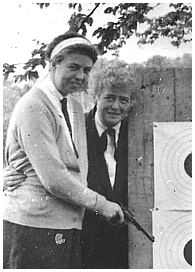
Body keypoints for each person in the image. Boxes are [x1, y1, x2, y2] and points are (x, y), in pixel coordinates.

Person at [3, 32, 124, 269]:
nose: (80, 76)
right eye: (73, 67)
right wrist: (102, 204)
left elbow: (80, 167)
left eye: (87, 70)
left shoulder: (75, 106)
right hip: (34, 227)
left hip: (68, 226)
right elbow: (54, 179)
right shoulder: (34, 106)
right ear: (52, 65)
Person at [81, 58, 137, 269]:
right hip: (83, 246)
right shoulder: (76, 130)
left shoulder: (137, 135)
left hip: (126, 249)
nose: (116, 106)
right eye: (109, 98)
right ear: (96, 96)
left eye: (123, 100)